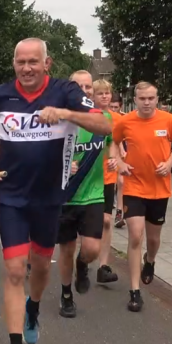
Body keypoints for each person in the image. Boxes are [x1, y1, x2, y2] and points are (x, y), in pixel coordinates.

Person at [0, 38, 112, 344]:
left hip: (50, 198)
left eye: (33, 62)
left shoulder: (65, 91)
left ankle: (33, 309)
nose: (26, 68)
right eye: (20, 62)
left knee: (39, 267)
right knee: (13, 271)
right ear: (14, 64)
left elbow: (106, 126)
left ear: (47, 63)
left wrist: (66, 114)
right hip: (11, 196)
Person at [113, 82, 172, 312]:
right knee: (135, 235)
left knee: (152, 240)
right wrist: (121, 163)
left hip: (159, 188)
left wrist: (171, 162)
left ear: (156, 99)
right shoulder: (126, 121)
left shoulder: (168, 120)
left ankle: (150, 260)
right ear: (134, 99)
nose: (147, 102)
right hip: (134, 186)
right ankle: (134, 291)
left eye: (151, 98)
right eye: (142, 98)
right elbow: (113, 143)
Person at [56, 72, 117, 318]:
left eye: (87, 86)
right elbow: (42, 155)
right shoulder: (60, 120)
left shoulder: (101, 119)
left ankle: (83, 266)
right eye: (78, 86)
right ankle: (66, 294)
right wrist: (61, 165)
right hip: (65, 196)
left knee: (91, 249)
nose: (84, 90)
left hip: (93, 193)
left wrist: (113, 157)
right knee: (66, 249)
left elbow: (112, 141)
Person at [94, 80, 120, 285]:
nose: (105, 97)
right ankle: (83, 259)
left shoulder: (116, 119)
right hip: (87, 177)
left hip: (107, 177)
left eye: (107, 93)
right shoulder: (85, 117)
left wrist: (116, 158)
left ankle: (103, 266)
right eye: (100, 93)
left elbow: (118, 144)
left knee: (106, 221)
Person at [110, 94, 127, 229]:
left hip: (122, 149)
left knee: (121, 181)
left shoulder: (123, 118)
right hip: (110, 150)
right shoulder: (105, 117)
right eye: (112, 107)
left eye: (116, 107)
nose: (113, 109)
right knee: (113, 182)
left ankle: (119, 213)